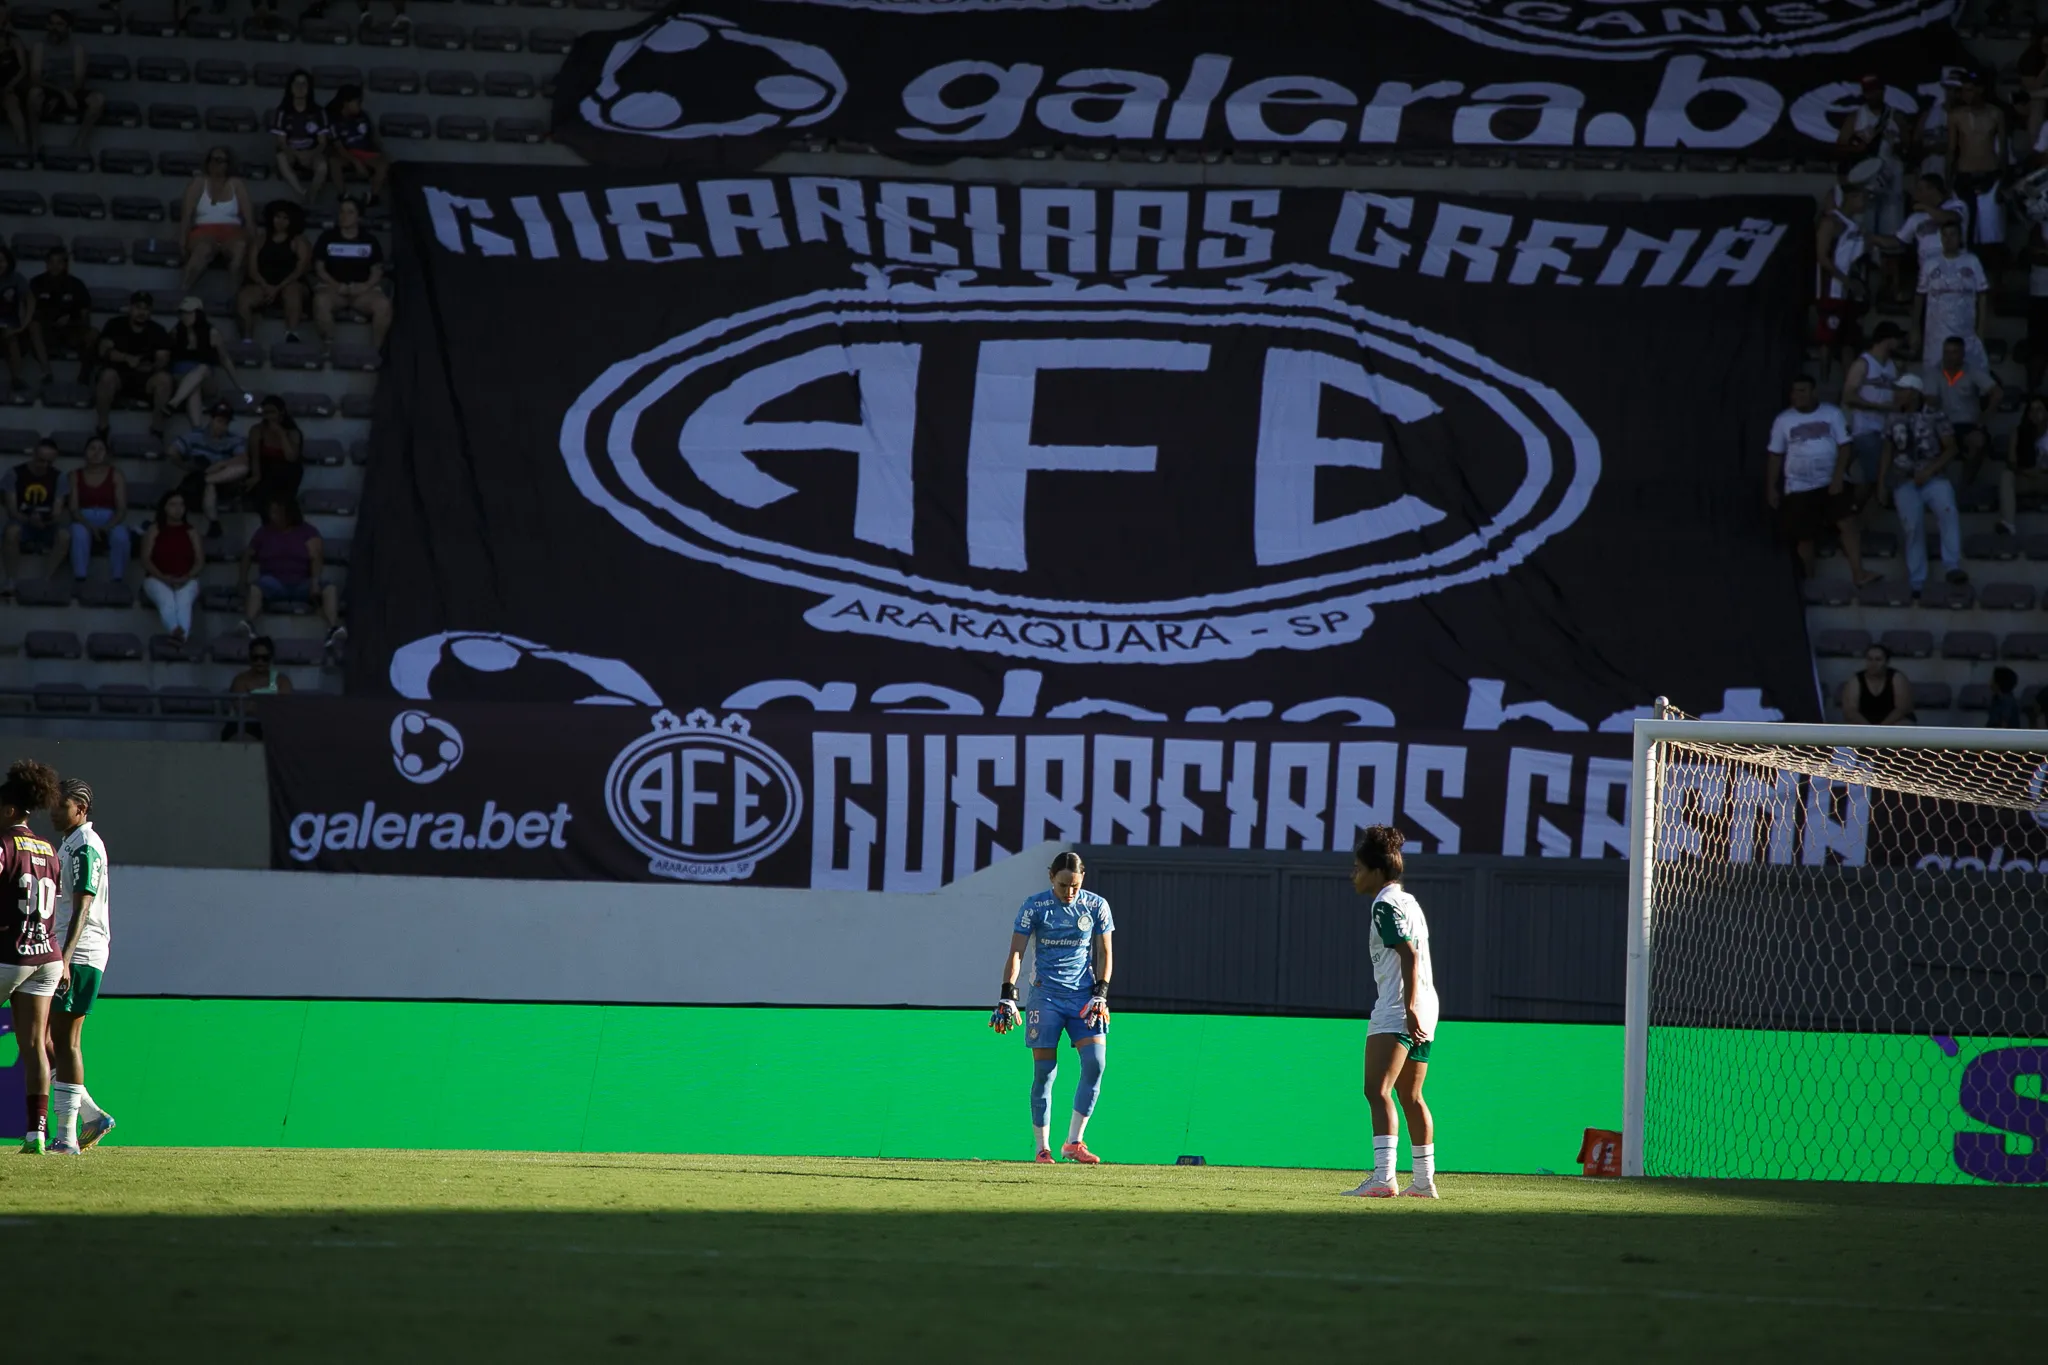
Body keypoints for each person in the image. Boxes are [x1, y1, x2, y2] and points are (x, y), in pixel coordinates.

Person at [990, 850, 1112, 1165]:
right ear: (1051, 878)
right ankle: (1042, 1149)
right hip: (1045, 997)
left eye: (1074, 885)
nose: (1069, 892)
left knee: (1095, 1063)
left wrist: (1101, 991)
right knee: (1045, 1072)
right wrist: (1008, 993)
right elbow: (1016, 951)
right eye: (1062, 886)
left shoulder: (1096, 905)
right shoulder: (1034, 907)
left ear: (1082, 878)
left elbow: (1104, 951)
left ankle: (1074, 1142)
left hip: (1085, 998)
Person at [1340, 825, 1439, 1200]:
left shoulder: (1384, 904)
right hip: (1425, 1004)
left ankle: (1383, 1177)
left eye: (1358, 867)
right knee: (1410, 1095)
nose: (1354, 874)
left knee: (1376, 1089)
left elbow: (1409, 954)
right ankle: (1424, 1180)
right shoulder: (1409, 901)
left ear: (1377, 871)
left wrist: (1408, 1007)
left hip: (1401, 1006)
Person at [47, 776, 115, 1155]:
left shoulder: (85, 846)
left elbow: (83, 906)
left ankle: (67, 1137)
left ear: (81, 809)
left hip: (81, 952)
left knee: (66, 1041)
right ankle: (90, 1115)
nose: (55, 810)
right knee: (41, 1040)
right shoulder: (71, 844)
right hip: (65, 950)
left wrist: (66, 959)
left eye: (63, 805)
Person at [0, 758, 63, 1153]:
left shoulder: (4, 842)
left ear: (8, 810)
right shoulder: (48, 848)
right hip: (47, 956)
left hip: (10, 954)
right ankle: (36, 1132)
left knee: (33, 1044)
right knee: (34, 1045)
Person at [1767, 375, 1876, 584]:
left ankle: (1859, 574)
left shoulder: (1832, 413)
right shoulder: (1783, 420)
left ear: (1813, 392)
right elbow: (1775, 455)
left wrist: (1837, 477)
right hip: (1799, 486)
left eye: (1803, 391)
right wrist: (1770, 487)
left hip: (1831, 481)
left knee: (1848, 522)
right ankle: (1809, 580)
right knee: (1805, 536)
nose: (1798, 396)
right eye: (1794, 391)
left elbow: (1846, 446)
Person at [1877, 373, 1965, 597]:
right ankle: (1917, 579)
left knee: (1947, 511)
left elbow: (1951, 448)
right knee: (1912, 527)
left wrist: (1929, 471)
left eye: (1900, 390)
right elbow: (1888, 450)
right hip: (1903, 478)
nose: (1896, 394)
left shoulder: (1936, 415)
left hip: (1934, 476)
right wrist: (1881, 482)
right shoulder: (1892, 418)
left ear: (1913, 393)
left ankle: (1952, 566)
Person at [239, 495, 344, 652]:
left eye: (276, 512)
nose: (272, 515)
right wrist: (242, 580)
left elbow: (316, 558)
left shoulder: (307, 532)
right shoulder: (263, 532)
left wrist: (315, 584)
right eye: (271, 512)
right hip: (273, 581)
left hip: (302, 582)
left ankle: (333, 627)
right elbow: (248, 555)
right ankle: (249, 623)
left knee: (330, 589)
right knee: (257, 587)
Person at [313, 196, 391, 351]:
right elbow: (319, 268)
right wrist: (337, 286)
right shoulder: (327, 238)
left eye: (350, 212)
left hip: (362, 291)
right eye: (342, 212)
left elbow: (377, 271)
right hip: (334, 289)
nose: (344, 216)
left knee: (383, 305)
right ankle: (329, 347)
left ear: (359, 217)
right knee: (320, 302)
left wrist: (364, 286)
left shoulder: (369, 240)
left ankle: (377, 350)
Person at [1947, 70, 2008, 268]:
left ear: (1980, 90)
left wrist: (2003, 181)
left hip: (1990, 175)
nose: (1966, 95)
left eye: (1970, 90)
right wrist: (1947, 182)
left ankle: (1992, 285)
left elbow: (2003, 150)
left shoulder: (1996, 114)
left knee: (1992, 236)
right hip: (1964, 175)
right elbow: (1951, 150)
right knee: (1964, 232)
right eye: (1963, 91)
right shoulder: (1956, 115)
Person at [1926, 335, 2001, 491]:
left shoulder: (1972, 371)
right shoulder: (1934, 371)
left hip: (1969, 424)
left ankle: (1965, 486)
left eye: (1954, 352)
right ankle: (1936, 487)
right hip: (1943, 424)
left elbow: (1997, 392)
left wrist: (1983, 418)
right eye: (1946, 352)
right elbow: (1930, 400)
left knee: (1979, 442)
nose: (1949, 356)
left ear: (1962, 354)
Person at [93, 290, 172, 438]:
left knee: (164, 380)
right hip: (119, 377)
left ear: (151, 311)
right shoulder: (115, 324)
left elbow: (163, 357)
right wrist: (126, 358)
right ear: (130, 308)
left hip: (146, 379)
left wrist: (153, 366)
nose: (142, 312)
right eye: (138, 307)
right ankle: (102, 428)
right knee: (107, 376)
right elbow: (103, 349)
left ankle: (157, 429)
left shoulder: (158, 330)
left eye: (146, 308)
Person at [177, 146, 253, 293]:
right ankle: (183, 291)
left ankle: (235, 297)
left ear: (228, 164)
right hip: (204, 232)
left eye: (219, 160)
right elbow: (186, 215)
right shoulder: (198, 183)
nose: (214, 164)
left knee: (240, 250)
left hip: (232, 232)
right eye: (211, 160)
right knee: (202, 250)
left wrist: (254, 243)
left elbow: (249, 219)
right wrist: (182, 238)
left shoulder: (236, 184)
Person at [24, 9, 102, 151]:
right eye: (52, 24)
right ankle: (35, 142)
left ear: (68, 28)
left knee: (98, 100)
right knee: (33, 94)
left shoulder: (77, 49)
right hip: (48, 88)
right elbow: (35, 77)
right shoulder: (39, 47)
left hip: (71, 90)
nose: (55, 28)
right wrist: (61, 94)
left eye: (60, 24)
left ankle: (79, 143)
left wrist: (63, 96)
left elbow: (78, 80)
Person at [1840, 321, 1904, 493]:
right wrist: (1877, 406)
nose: (1899, 343)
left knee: (1882, 476)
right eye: (1897, 339)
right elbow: (1848, 396)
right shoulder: (1863, 363)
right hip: (1864, 429)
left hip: (1885, 430)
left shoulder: (1892, 366)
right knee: (1875, 477)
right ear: (1888, 339)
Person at [1838, 76, 1904, 240]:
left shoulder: (1896, 116)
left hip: (1890, 178)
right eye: (1868, 91)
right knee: (1864, 230)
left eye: (1875, 90)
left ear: (1883, 91)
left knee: (1891, 230)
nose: (1872, 95)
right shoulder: (1856, 117)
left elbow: (1910, 148)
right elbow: (1840, 147)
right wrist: (1857, 149)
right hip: (1865, 178)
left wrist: (1898, 147)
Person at [1918, 220, 1989, 374]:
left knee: (1970, 376)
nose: (1949, 239)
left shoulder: (1972, 261)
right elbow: (1920, 297)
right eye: (1945, 235)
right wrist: (1915, 329)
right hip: (1936, 335)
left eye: (1953, 235)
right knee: (1934, 377)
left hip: (1966, 333)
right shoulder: (1930, 264)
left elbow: (1982, 296)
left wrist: (1981, 329)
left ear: (1960, 237)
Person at [165, 296, 247, 427]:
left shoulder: (212, 333)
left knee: (202, 368)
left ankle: (174, 402)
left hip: (206, 380)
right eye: (183, 312)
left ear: (198, 314)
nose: (185, 316)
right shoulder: (176, 332)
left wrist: (237, 385)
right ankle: (196, 429)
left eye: (189, 312)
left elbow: (225, 359)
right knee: (194, 387)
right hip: (180, 377)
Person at [237, 200, 311, 344]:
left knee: (292, 290)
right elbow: (252, 269)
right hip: (263, 284)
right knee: (243, 298)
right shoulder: (260, 240)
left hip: (289, 283)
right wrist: (265, 286)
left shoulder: (299, 241)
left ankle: (292, 334)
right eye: (278, 217)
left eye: (285, 218)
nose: (281, 222)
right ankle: (247, 339)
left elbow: (300, 270)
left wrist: (277, 288)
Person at [1815, 183, 1868, 373]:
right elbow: (1822, 257)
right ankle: (1823, 382)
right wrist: (1846, 281)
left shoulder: (1855, 225)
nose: (1866, 202)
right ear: (1852, 197)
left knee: (1849, 341)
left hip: (1851, 293)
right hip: (1832, 290)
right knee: (1827, 340)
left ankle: (1847, 389)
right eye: (1862, 197)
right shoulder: (1831, 222)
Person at [64, 433, 128, 584]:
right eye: (92, 448)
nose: (96, 452)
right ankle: (80, 577)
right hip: (83, 516)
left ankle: (117, 578)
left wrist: (108, 526)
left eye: (101, 449)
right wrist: (90, 526)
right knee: (79, 533)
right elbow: (73, 509)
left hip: (109, 516)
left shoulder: (116, 474)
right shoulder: (74, 475)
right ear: (85, 452)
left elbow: (122, 509)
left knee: (121, 535)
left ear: (107, 454)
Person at [27, 244, 94, 386]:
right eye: (51, 262)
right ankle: (46, 371)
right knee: (33, 325)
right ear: (46, 264)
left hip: (70, 329)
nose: (55, 266)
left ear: (65, 264)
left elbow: (84, 311)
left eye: (59, 262)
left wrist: (72, 319)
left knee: (93, 334)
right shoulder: (36, 283)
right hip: (46, 331)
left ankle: (84, 375)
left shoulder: (76, 284)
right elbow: (28, 310)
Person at [140, 489, 202, 641]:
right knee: (166, 598)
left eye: (181, 505)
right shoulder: (155, 529)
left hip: (186, 578)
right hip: (156, 578)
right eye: (173, 504)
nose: (178, 509)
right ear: (165, 508)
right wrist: (163, 578)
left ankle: (180, 636)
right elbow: (145, 559)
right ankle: (176, 631)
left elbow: (200, 560)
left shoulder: (191, 531)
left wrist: (186, 577)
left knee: (184, 599)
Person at [3, 437, 65, 588]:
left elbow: (57, 513)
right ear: (33, 455)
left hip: (47, 524)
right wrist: (30, 520)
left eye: (49, 462)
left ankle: (46, 579)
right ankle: (11, 580)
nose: (44, 465)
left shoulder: (59, 477)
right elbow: (12, 511)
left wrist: (45, 521)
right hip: (22, 522)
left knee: (65, 536)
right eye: (41, 460)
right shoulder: (14, 474)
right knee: (11, 532)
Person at [172, 399, 242, 527]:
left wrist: (221, 465)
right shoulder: (195, 436)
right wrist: (183, 465)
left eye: (225, 422)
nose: (222, 426)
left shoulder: (234, 440)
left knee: (213, 481)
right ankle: (212, 523)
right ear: (211, 419)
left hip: (221, 481)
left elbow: (243, 459)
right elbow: (172, 451)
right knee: (200, 469)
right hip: (197, 478)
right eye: (219, 421)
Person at [271, 69, 329, 201]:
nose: (300, 88)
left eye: (304, 84)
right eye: (297, 84)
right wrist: (298, 154)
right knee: (280, 157)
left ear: (309, 88)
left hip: (312, 152)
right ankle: (301, 191)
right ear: (290, 88)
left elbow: (323, 142)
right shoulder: (282, 111)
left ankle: (312, 195)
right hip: (291, 152)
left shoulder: (319, 112)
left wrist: (309, 154)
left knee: (322, 167)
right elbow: (281, 142)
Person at [325, 84, 387, 205]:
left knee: (383, 163)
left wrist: (379, 152)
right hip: (345, 153)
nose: (360, 104)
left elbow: (373, 139)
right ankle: (343, 195)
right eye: (357, 102)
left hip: (364, 152)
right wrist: (356, 162)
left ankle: (373, 197)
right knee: (334, 162)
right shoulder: (333, 120)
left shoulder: (363, 116)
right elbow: (339, 148)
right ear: (346, 103)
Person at [1999, 396, 2048, 539]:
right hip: (2026, 477)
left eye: (2039, 410)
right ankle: (2008, 524)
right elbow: (2011, 462)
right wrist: (2027, 472)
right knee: (2006, 476)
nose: (2035, 413)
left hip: (2046, 478)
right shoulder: (2018, 432)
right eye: (2031, 410)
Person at [1840, 642, 1915, 724]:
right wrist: (1870, 729)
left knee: (1905, 724)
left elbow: (1902, 709)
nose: (1873, 664)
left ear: (1887, 662)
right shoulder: (1855, 680)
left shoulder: (1897, 678)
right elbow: (1850, 711)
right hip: (1865, 723)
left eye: (1878, 659)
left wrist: (1881, 727)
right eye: (1870, 659)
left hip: (1892, 722)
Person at [0, 242, 29, 398]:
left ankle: (16, 378)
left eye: (1, 260)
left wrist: (23, 324)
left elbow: (28, 301)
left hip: (11, 325)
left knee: (10, 337)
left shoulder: (17, 278)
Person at [0, 1, 26, 149]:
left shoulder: (14, 40)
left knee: (12, 102)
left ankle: (22, 146)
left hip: (10, 86)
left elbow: (23, 69)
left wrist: (10, 86)